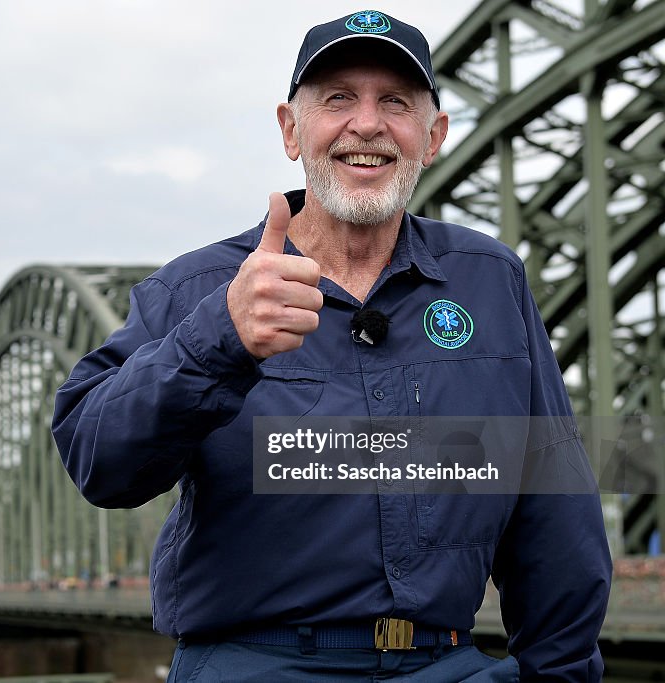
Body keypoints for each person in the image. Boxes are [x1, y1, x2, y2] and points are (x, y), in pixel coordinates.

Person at [52, 10, 611, 681]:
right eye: (338, 98)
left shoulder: (490, 282)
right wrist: (218, 338)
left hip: (446, 663)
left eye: (395, 102)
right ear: (292, 130)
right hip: (256, 663)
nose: (367, 124)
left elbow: (553, 514)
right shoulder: (201, 288)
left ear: (432, 137)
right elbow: (97, 458)